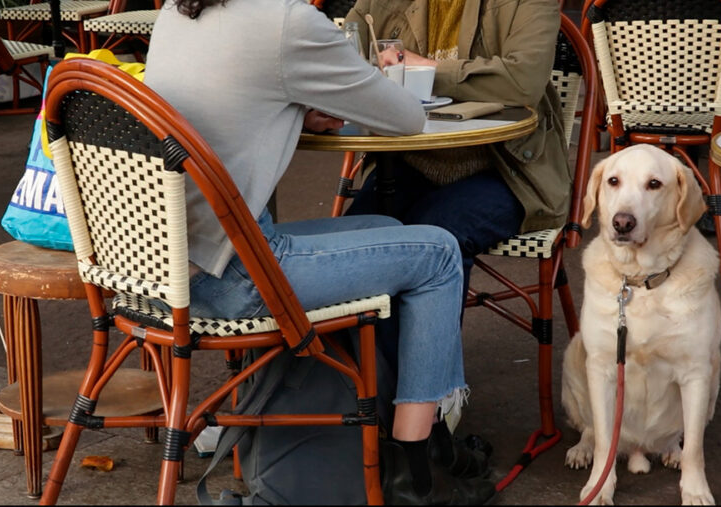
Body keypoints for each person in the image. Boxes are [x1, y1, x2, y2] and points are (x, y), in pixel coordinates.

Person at [144, 0, 494, 504]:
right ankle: (418, 474)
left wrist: (294, 107)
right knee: (437, 253)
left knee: (386, 227)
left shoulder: (177, 15)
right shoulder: (287, 22)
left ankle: (389, 439)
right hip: (238, 276)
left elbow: (239, 98)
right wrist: (307, 98)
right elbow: (404, 117)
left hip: (160, 272)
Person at [344, 0, 571, 300]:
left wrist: (427, 70)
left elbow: (523, 80)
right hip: (408, 159)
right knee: (352, 242)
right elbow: (341, 54)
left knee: (434, 236)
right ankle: (356, 346)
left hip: (507, 169)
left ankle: (408, 348)